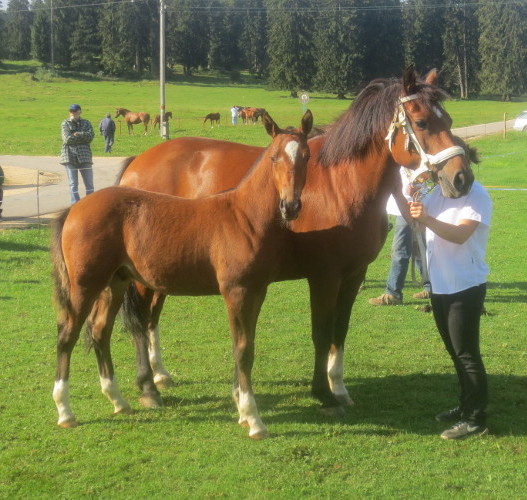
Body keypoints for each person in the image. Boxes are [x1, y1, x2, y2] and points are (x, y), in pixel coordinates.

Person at [410, 179, 492, 440]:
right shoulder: (437, 193)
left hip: (466, 285)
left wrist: (427, 219)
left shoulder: (477, 194)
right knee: (455, 352)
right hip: (440, 285)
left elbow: (460, 235)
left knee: (466, 354)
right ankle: (467, 406)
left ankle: (475, 420)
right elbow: (417, 216)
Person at [369, 167, 430, 306]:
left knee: (401, 250)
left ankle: (393, 293)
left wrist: (414, 186)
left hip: (410, 204)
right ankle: (430, 286)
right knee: (418, 249)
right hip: (408, 204)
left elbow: (425, 172)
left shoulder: (412, 153)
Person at [60, 104, 95, 204]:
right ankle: (75, 204)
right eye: (71, 111)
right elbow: (67, 139)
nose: (73, 113)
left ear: (80, 112)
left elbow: (90, 136)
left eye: (75, 111)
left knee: (89, 183)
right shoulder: (65, 123)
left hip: (85, 156)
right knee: (73, 183)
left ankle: (90, 203)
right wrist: (83, 137)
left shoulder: (86, 123)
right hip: (69, 156)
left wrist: (78, 134)